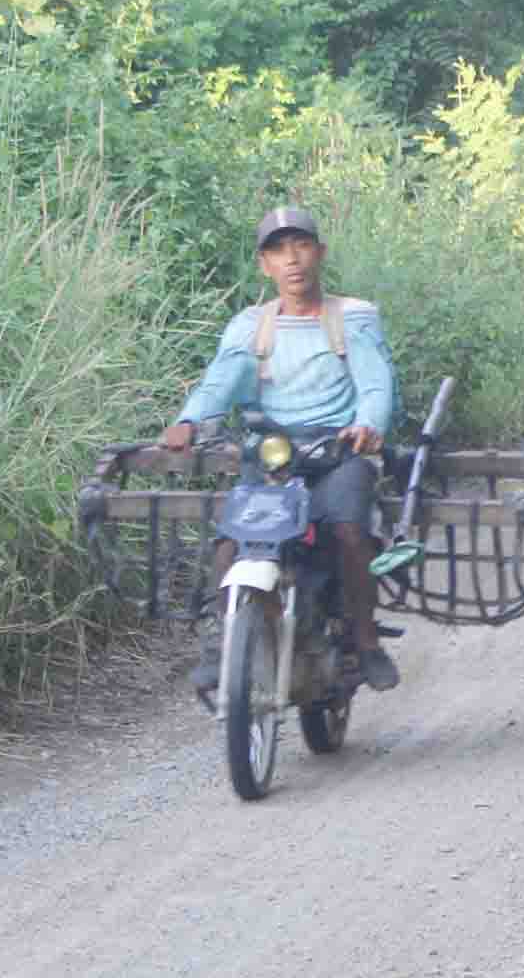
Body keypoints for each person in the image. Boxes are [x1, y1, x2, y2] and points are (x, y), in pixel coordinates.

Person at [159, 206, 401, 695]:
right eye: (277, 250)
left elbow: (376, 381)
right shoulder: (250, 324)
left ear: (320, 253)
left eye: (301, 245)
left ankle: (366, 639)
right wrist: (189, 418)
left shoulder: (352, 316)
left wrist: (368, 425)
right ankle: (218, 644)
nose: (292, 260)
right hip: (273, 455)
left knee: (351, 531)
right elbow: (221, 378)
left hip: (338, 452)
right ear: (263, 264)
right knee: (231, 540)